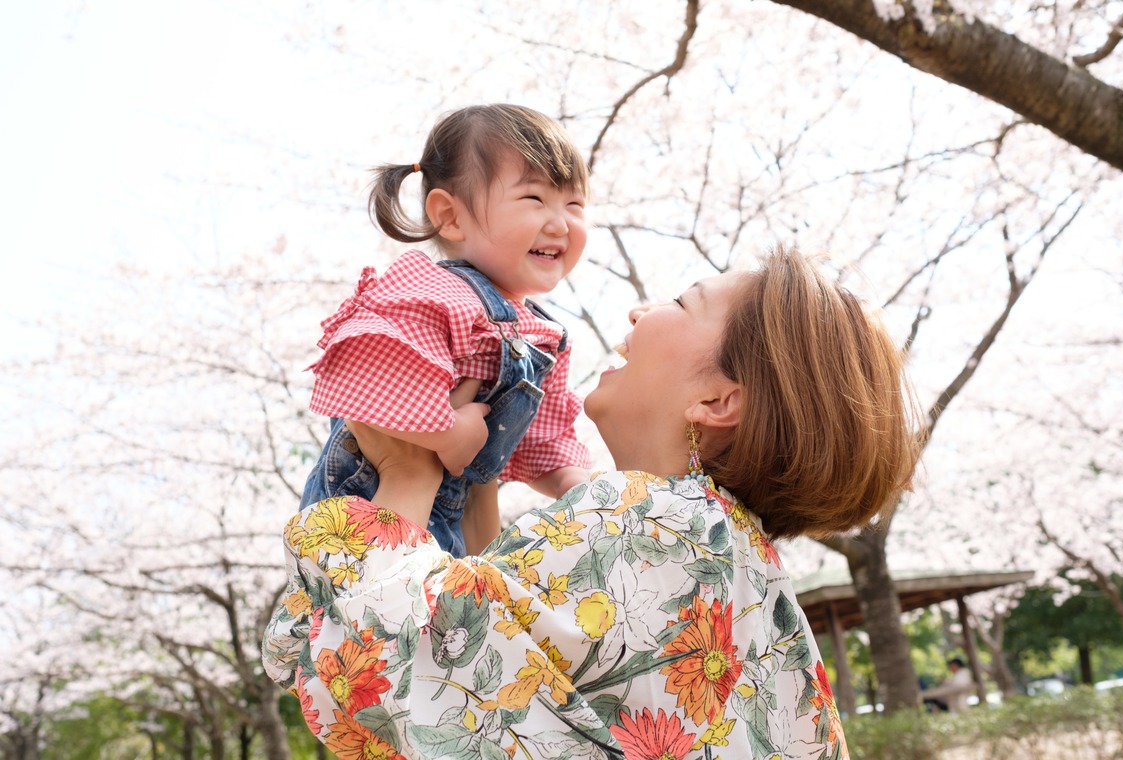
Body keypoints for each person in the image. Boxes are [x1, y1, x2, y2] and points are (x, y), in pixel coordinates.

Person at [263, 245, 921, 759]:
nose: (639, 312)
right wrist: (480, 473)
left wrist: (404, 476)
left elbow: (392, 677)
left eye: (683, 303)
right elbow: (528, 675)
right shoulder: (728, 559)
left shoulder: (644, 517)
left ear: (718, 400)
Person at [300, 104, 592, 556]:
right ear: (450, 217)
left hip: (445, 529)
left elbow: (543, 439)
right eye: (534, 199)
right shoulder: (436, 291)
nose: (560, 223)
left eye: (575, 204)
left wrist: (576, 484)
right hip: (362, 504)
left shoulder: (545, 337)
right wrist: (447, 434)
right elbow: (371, 379)